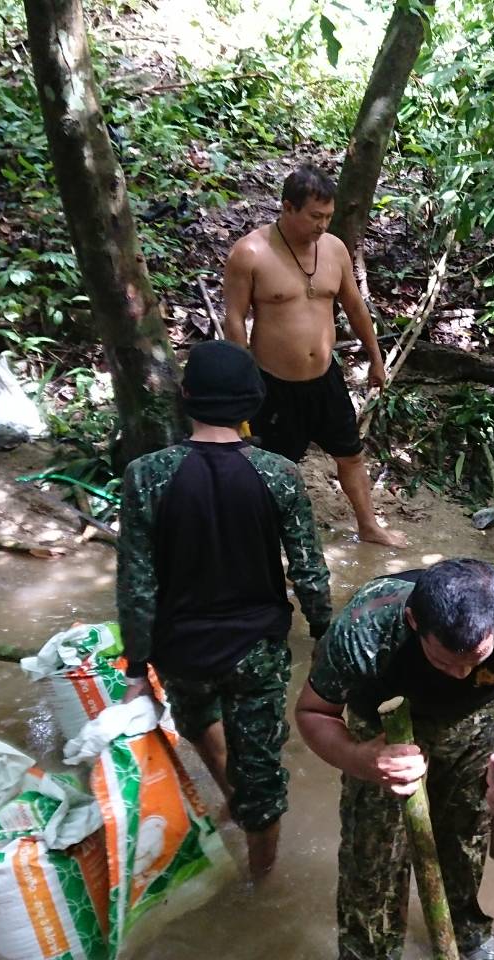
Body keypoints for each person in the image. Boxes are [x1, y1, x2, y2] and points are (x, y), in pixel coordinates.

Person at [116, 340, 334, 878]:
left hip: (180, 649)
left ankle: (235, 801)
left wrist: (137, 667)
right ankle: (260, 886)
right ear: (252, 402)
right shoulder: (278, 473)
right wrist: (323, 632)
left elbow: (136, 582)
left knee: (196, 721)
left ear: (186, 397)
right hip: (255, 650)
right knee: (262, 780)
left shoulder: (146, 475)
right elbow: (308, 568)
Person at [295, 559, 494, 960]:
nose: (460, 673)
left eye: (475, 659)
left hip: (476, 724)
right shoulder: (365, 624)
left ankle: (467, 938)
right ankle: (370, 953)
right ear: (413, 621)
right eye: (444, 661)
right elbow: (312, 713)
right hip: (383, 730)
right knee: (372, 859)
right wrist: (361, 758)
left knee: (465, 838)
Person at [222, 164, 407, 547]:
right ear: (288, 207)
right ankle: (262, 542)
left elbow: (355, 307)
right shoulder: (250, 253)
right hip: (272, 383)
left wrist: (375, 357)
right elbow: (235, 320)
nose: (322, 225)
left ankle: (369, 526)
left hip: (325, 378)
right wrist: (240, 381)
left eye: (328, 217)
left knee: (350, 455)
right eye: (315, 216)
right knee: (270, 466)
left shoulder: (335, 249)